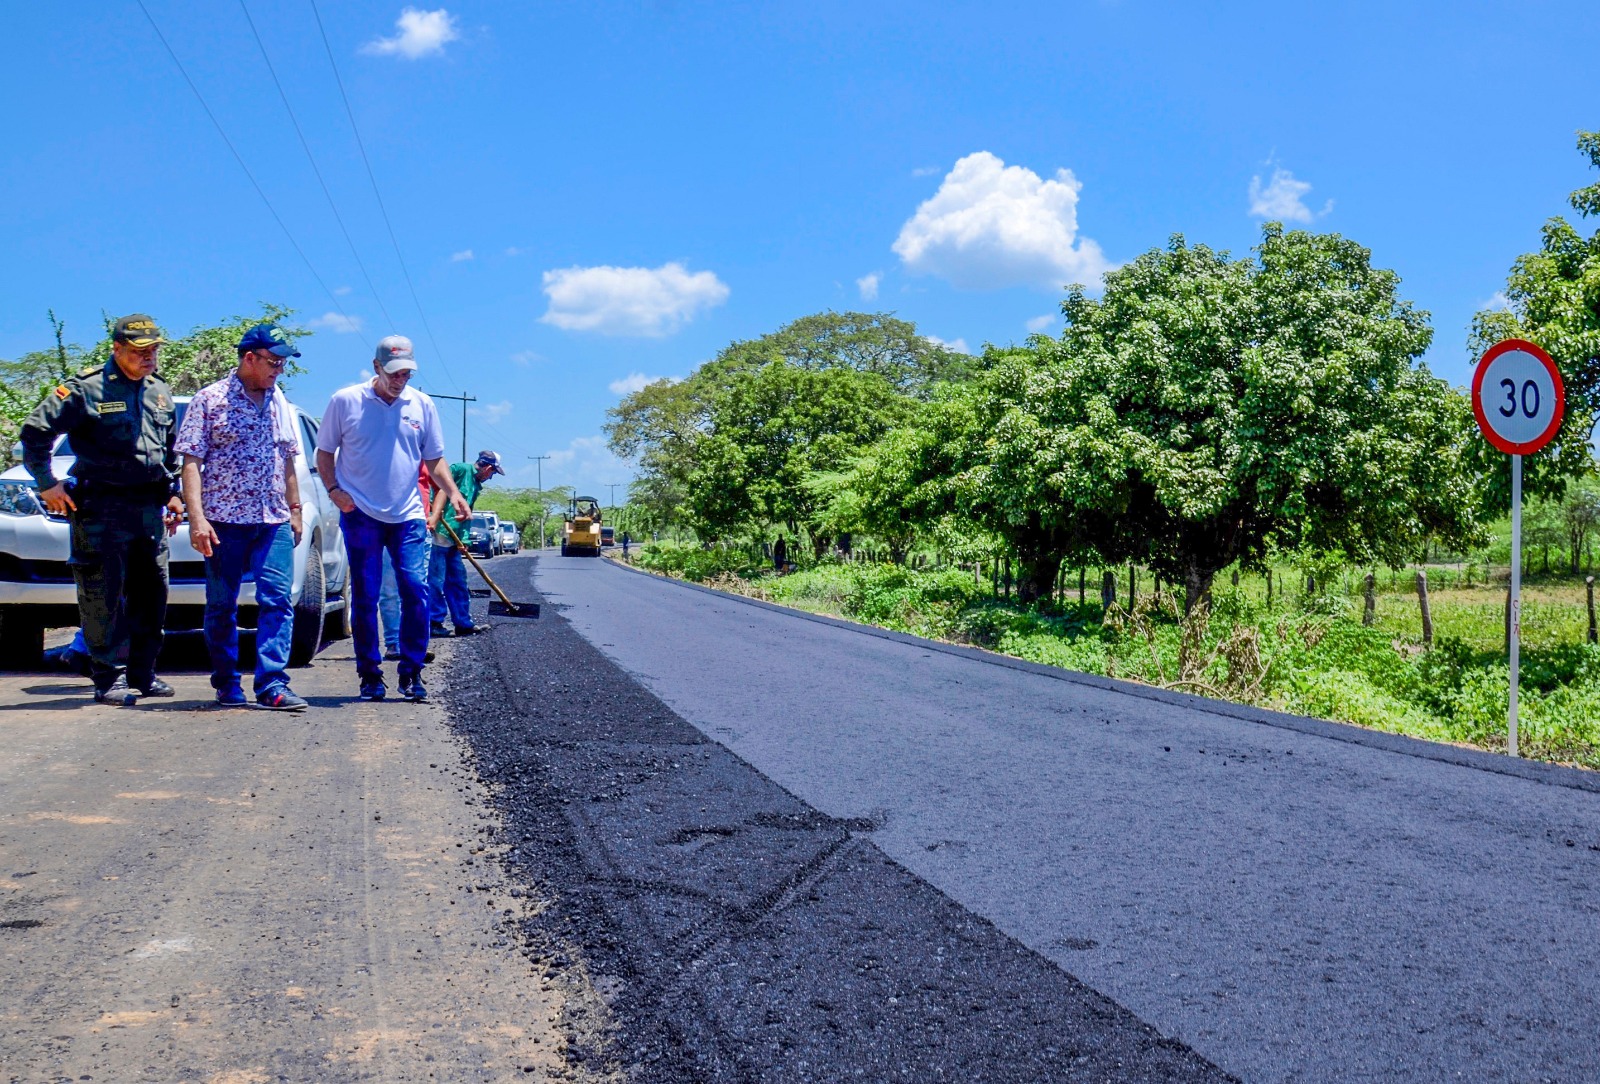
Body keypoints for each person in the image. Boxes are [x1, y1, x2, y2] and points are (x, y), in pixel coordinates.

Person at [21, 314, 183, 705]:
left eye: (154, 350)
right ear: (117, 348)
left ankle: (143, 675)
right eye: (140, 351)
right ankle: (108, 678)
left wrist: (173, 492)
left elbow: (170, 448)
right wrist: (47, 484)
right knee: (102, 595)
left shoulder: (159, 390)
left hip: (148, 507)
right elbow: (35, 433)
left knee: (152, 595)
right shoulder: (85, 389)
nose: (149, 358)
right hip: (101, 506)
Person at [314, 335, 468, 702]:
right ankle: (369, 674)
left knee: (415, 588)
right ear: (377, 367)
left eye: (407, 374)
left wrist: (455, 492)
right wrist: (335, 490)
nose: (401, 380)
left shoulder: (422, 404)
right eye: (395, 373)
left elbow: (434, 459)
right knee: (365, 596)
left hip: (408, 515)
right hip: (361, 514)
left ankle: (411, 671)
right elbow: (324, 453)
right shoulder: (345, 401)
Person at [175, 323, 307, 711]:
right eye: (273, 362)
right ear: (249, 358)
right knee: (221, 605)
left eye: (282, 363)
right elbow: (191, 463)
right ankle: (227, 682)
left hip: (272, 520)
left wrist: (295, 510)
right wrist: (197, 519)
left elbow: (287, 459)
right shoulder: (210, 400)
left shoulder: (278, 401)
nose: (278, 370)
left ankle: (272, 684)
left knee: (278, 600)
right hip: (224, 522)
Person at [427, 450, 503, 637]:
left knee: (459, 582)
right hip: (439, 535)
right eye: (492, 473)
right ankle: (434, 623)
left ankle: (463, 623)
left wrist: (465, 540)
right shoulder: (459, 469)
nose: (491, 477)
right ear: (488, 468)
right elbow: (437, 489)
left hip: (454, 540)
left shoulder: (476, 485)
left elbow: (467, 514)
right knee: (435, 582)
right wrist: (433, 514)